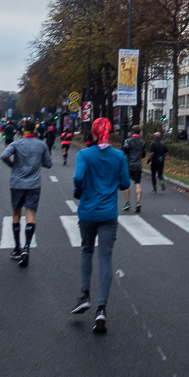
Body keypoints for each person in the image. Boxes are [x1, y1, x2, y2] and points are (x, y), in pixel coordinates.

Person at [72, 117, 130, 333]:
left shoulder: (84, 154)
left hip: (87, 211)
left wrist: (79, 191)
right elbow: (124, 183)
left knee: (86, 250)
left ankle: (85, 295)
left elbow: (78, 177)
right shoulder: (118, 156)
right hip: (108, 214)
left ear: (94, 133)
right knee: (105, 257)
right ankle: (101, 309)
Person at [0, 119, 52, 267]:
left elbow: (3, 156)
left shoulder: (17, 144)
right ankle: (27, 248)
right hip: (34, 185)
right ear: (35, 130)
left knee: (16, 214)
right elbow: (48, 164)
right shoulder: (41, 145)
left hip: (17, 183)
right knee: (31, 216)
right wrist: (36, 162)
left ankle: (17, 247)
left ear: (23, 130)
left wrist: (13, 165)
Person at [122, 125, 146, 212]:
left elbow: (124, 151)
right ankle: (138, 202)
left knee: (126, 184)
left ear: (132, 132)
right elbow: (143, 155)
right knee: (137, 183)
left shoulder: (128, 141)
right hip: (138, 165)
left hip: (128, 165)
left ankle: (127, 202)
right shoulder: (142, 142)